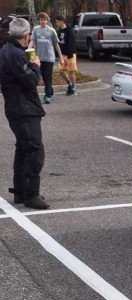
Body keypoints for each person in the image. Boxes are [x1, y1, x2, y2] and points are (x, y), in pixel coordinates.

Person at [0, 17, 50, 209]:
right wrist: (35, 65)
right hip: (24, 108)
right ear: (26, 34)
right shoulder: (16, 54)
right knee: (34, 149)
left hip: (15, 107)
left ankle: (21, 192)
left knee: (23, 149)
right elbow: (29, 81)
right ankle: (31, 195)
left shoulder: (6, 50)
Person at [29, 12, 64, 104]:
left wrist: (60, 57)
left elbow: (56, 44)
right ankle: (51, 92)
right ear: (39, 20)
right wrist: (28, 50)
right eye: (41, 20)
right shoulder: (36, 30)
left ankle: (47, 95)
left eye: (44, 20)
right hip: (38, 58)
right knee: (42, 77)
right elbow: (32, 41)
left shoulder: (52, 30)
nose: (43, 21)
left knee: (47, 77)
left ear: (47, 20)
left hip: (49, 58)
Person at [55, 15, 77, 96]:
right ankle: (69, 83)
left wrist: (70, 55)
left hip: (70, 54)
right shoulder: (59, 31)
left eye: (57, 22)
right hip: (62, 54)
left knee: (71, 71)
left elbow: (71, 43)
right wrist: (58, 54)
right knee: (60, 70)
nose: (56, 24)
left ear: (62, 21)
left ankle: (74, 87)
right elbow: (58, 43)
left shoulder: (69, 30)